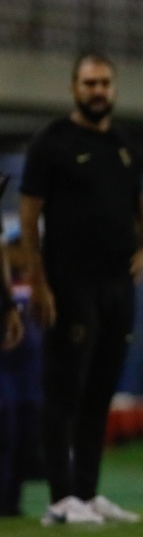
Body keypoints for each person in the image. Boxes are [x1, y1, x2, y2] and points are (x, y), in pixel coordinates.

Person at [19, 52, 143, 525]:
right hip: (69, 283)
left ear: (113, 88)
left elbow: (140, 200)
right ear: (74, 87)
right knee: (65, 391)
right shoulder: (51, 142)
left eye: (104, 83)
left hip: (117, 286)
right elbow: (30, 214)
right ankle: (59, 500)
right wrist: (39, 283)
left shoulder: (122, 144)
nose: (97, 91)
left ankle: (88, 493)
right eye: (89, 82)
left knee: (101, 390)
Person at [0, 215, 28, 517]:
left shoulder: (37, 284)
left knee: (17, 436)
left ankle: (10, 502)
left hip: (26, 379)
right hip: (8, 371)